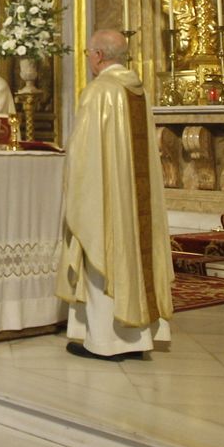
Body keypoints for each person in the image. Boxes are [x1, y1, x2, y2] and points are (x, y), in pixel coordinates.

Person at [57, 29, 174, 360]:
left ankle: (107, 343)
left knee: (102, 249)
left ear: (97, 56)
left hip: (107, 197)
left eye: (87, 54)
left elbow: (82, 154)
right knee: (134, 257)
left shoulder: (99, 92)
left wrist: (72, 188)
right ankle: (136, 340)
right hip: (135, 200)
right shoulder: (137, 90)